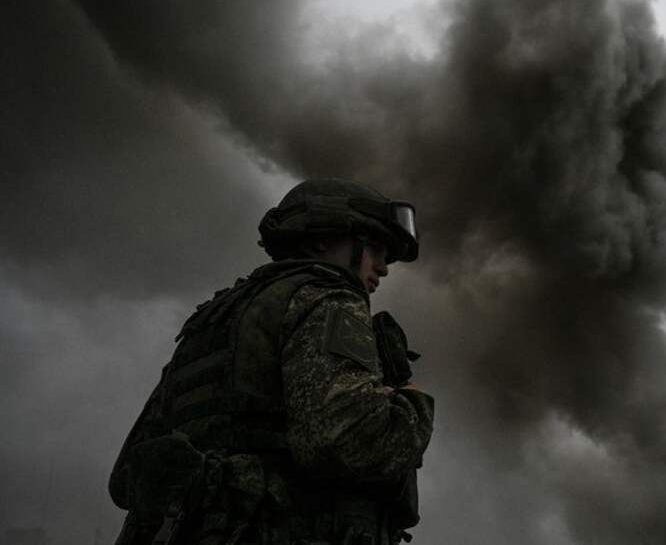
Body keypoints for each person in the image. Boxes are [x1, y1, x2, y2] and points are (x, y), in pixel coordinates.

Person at [109, 178, 434, 545]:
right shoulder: (328, 298)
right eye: (374, 247)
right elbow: (348, 442)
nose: (383, 267)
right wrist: (412, 405)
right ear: (322, 239)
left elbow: (128, 477)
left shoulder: (214, 319)